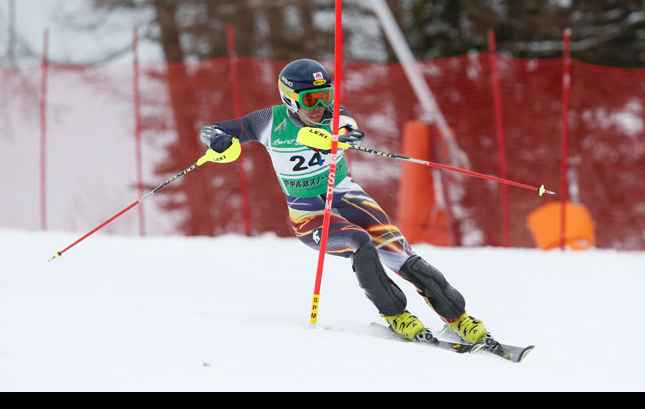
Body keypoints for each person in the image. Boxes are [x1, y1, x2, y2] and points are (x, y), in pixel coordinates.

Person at [198, 58, 488, 343]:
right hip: (307, 212)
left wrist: (338, 134)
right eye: (310, 99)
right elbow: (214, 129)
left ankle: (458, 318)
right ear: (290, 100)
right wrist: (218, 141)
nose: (320, 106)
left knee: (400, 253)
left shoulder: (334, 114)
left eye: (325, 96)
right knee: (359, 241)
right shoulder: (268, 121)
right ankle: (396, 315)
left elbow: (348, 127)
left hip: (347, 195)